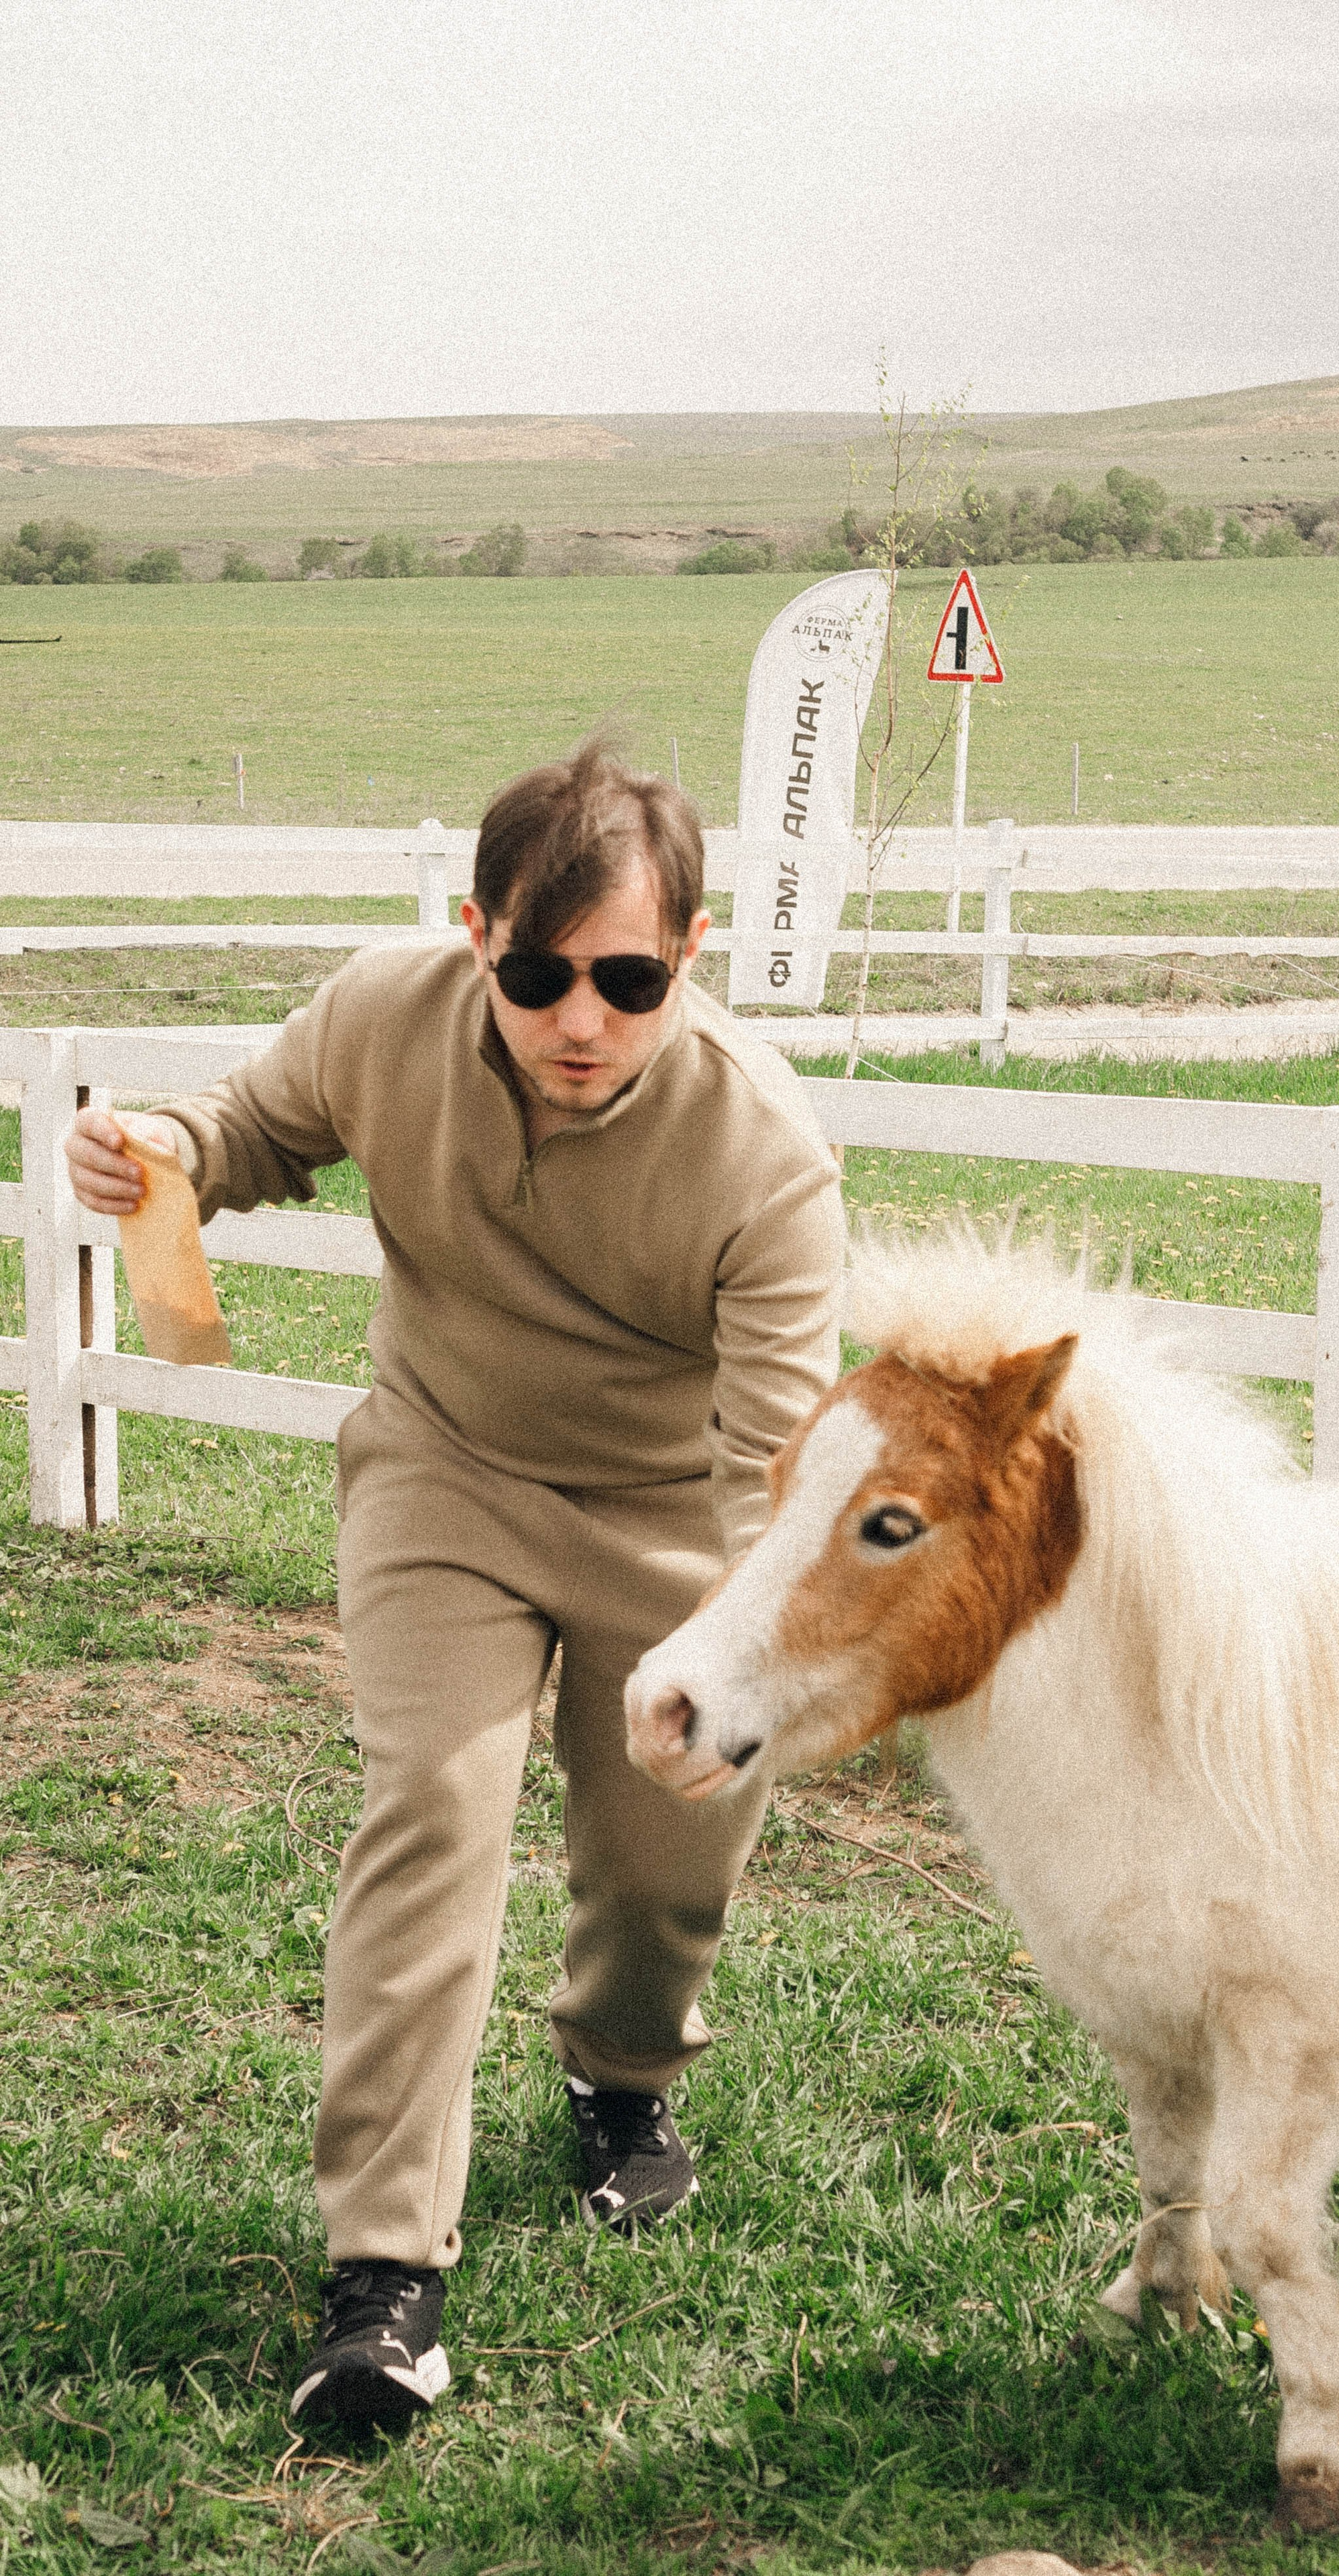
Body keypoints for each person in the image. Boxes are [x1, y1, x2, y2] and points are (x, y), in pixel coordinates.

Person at [64, 742, 847, 2435]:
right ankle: (384, 2281)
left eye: (629, 980)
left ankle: (620, 2079)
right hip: (447, 1471)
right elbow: (256, 1128)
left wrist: (738, 1661)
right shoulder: (380, 1014)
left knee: (665, 1857)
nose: (582, 1017)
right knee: (431, 1799)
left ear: (689, 956)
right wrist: (163, 1148)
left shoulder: (764, 1153)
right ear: (475, 931)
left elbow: (769, 1459)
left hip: (665, 1517)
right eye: (540, 973)